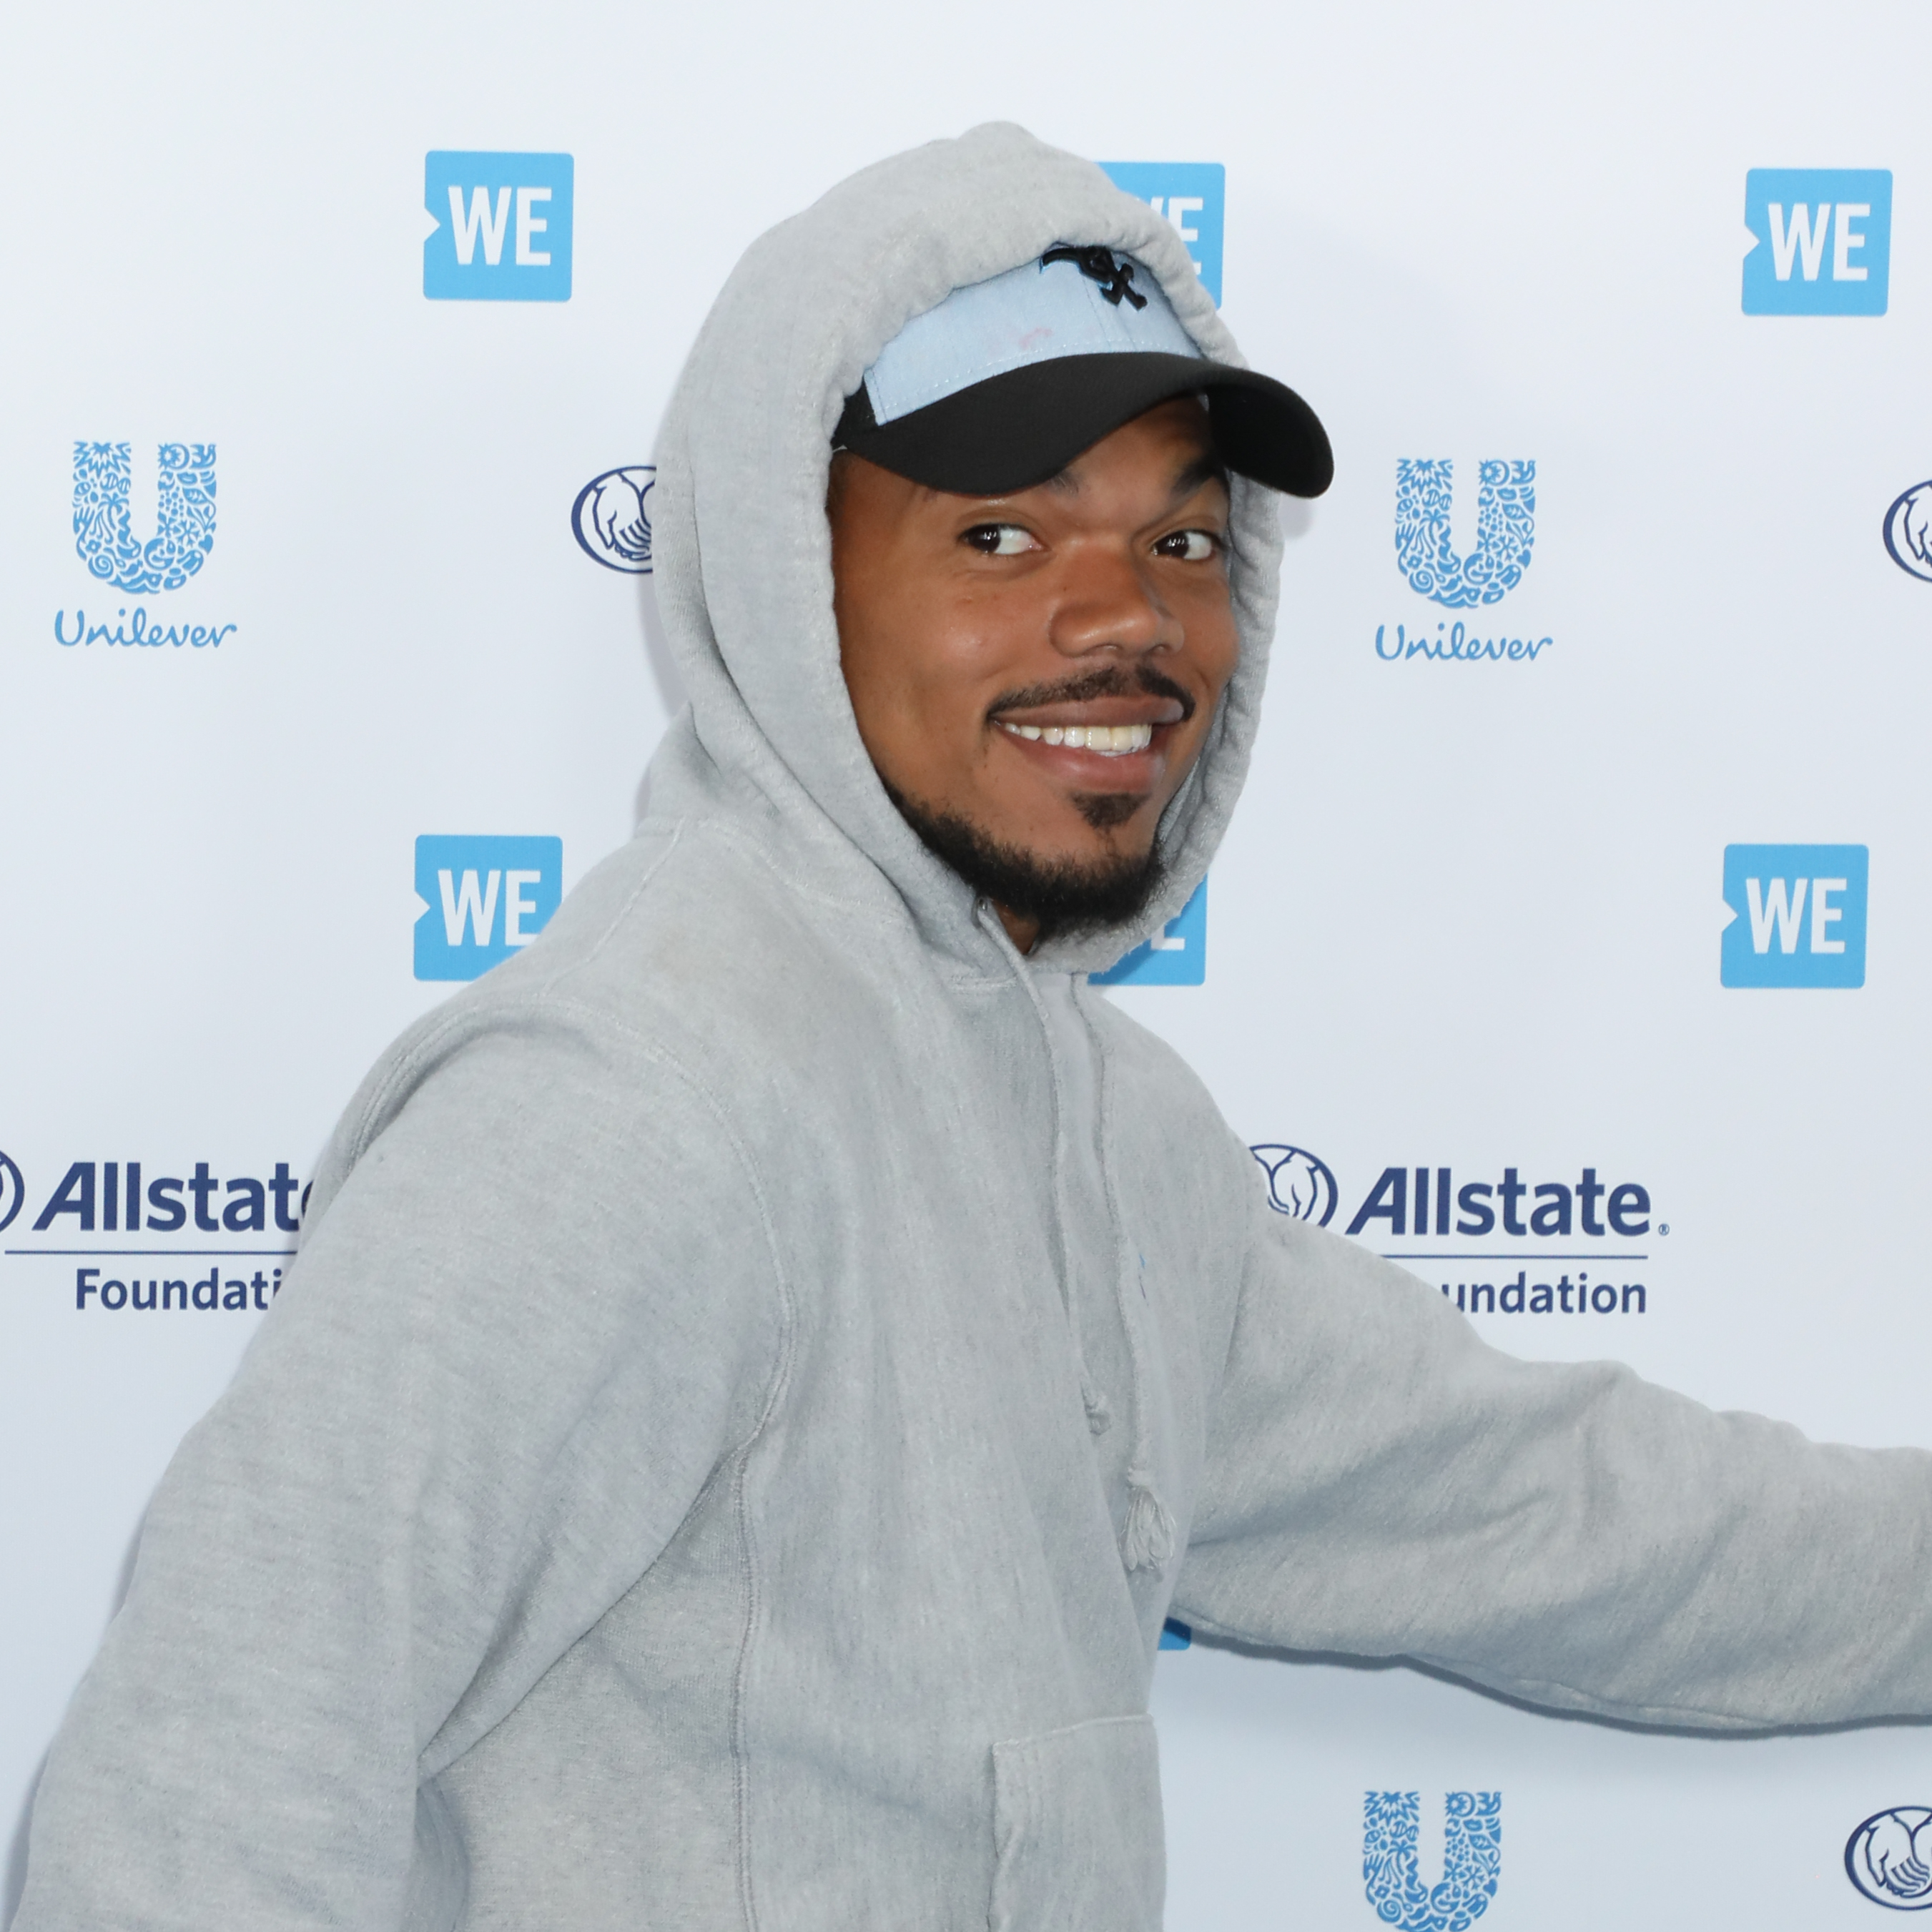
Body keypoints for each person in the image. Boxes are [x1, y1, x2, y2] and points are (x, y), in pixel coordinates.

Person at [16, 122, 1932, 1932]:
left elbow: (1568, 1520)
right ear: (789, 576)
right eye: (1000, 539)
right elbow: (211, 1797)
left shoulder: (1110, 1132)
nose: (1125, 620)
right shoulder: (626, 1102)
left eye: (1183, 540)